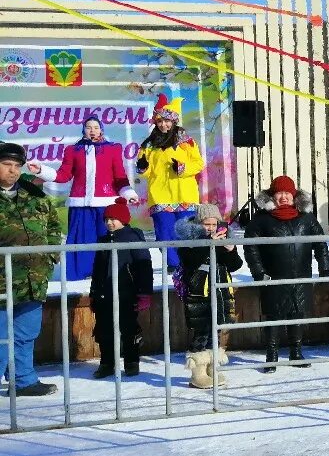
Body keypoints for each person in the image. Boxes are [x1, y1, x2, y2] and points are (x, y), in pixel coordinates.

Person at [31, 116, 138, 281]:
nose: (92, 130)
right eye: (89, 127)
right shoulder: (73, 150)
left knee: (108, 239)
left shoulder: (113, 149)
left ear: (101, 129)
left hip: (106, 205)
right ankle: (79, 276)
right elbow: (63, 175)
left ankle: (111, 274)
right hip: (80, 205)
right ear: (83, 130)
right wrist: (41, 170)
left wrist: (129, 194)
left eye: (96, 127)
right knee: (80, 241)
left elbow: (119, 176)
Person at [244, 175, 329, 371]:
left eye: (287, 193)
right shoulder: (261, 220)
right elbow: (251, 248)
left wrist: (324, 266)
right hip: (274, 276)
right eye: (279, 193)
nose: (283, 197)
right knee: (274, 315)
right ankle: (272, 355)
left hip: (301, 275)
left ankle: (296, 351)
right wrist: (259, 272)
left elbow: (320, 242)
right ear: (273, 195)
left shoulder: (306, 218)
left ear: (294, 195)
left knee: (297, 313)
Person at [0, 143, 61, 396]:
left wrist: (51, 256)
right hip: (2, 281)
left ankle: (23, 380)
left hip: (33, 279)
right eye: (6, 165)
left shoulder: (34, 195)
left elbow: (54, 227)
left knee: (26, 334)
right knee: (1, 335)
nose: (12, 171)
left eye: (17, 166)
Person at [174, 205, 243, 389]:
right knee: (201, 331)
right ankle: (198, 372)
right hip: (199, 292)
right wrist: (207, 244)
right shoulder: (189, 239)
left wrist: (230, 250)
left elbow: (236, 266)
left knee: (216, 330)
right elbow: (189, 262)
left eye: (214, 223)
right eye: (206, 224)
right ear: (198, 223)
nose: (211, 227)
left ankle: (212, 368)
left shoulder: (221, 237)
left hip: (219, 291)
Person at [136, 94, 204, 269]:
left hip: (184, 194)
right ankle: (173, 265)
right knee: (164, 232)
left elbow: (198, 163)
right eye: (160, 121)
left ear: (174, 121)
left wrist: (182, 167)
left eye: (167, 121)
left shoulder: (186, 142)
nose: (163, 124)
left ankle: (189, 263)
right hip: (160, 195)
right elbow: (146, 171)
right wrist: (143, 166)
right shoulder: (148, 145)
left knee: (187, 232)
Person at [88, 198, 152, 379]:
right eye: (106, 219)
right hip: (104, 294)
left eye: (113, 219)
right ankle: (107, 363)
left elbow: (144, 266)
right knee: (104, 330)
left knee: (128, 329)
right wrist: (94, 293)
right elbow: (97, 269)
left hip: (127, 293)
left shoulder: (133, 237)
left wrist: (144, 293)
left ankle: (132, 362)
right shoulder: (103, 240)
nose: (109, 223)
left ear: (124, 220)